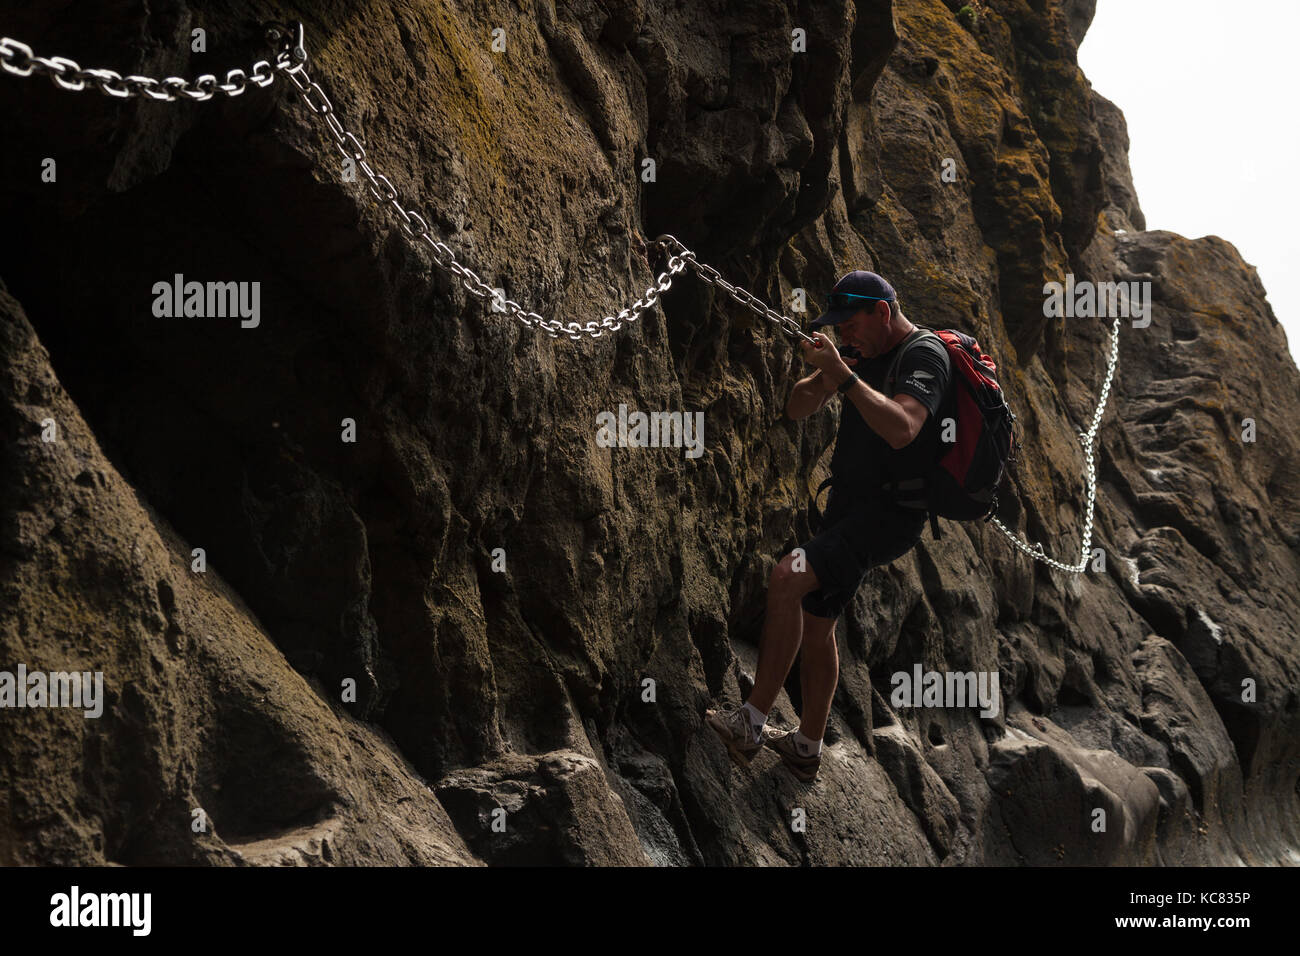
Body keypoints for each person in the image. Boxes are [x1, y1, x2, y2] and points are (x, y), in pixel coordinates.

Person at [706, 270, 951, 781]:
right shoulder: (858, 355)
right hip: (847, 506)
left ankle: (750, 723)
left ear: (882, 313)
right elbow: (796, 408)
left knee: (786, 577)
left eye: (850, 324)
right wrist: (828, 371)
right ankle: (806, 748)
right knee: (819, 623)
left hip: (888, 516)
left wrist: (845, 375)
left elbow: (905, 429)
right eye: (837, 328)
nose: (844, 334)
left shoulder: (925, 356)